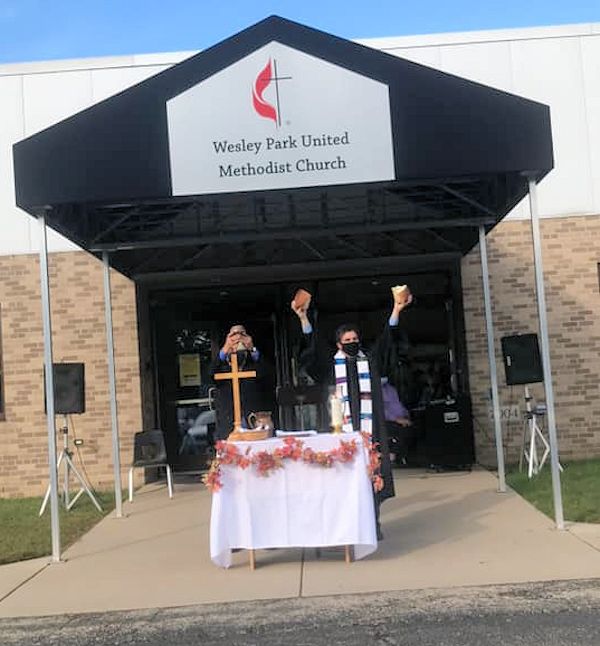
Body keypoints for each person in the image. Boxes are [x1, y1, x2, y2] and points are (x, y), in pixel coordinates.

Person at [292, 290, 412, 540]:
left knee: (371, 476)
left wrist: (397, 310)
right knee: (342, 480)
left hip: (370, 431)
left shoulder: (369, 360)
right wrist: (303, 318)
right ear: (338, 344)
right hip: (340, 433)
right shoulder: (330, 364)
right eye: (347, 339)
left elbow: (387, 340)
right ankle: (347, 526)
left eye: (355, 338)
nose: (352, 342)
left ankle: (373, 523)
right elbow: (311, 348)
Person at [210, 324, 269, 441]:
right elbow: (210, 375)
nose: (238, 338)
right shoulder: (222, 364)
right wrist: (225, 349)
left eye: (242, 334)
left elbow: (266, 374)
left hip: (252, 418)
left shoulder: (253, 362)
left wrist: (252, 348)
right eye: (234, 335)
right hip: (229, 417)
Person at [381, 376, 413, 466]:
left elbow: (398, 404)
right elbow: (382, 410)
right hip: (387, 420)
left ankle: (405, 457)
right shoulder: (376, 390)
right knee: (401, 431)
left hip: (400, 417)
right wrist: (396, 419)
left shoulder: (391, 389)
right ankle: (392, 456)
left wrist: (406, 415)